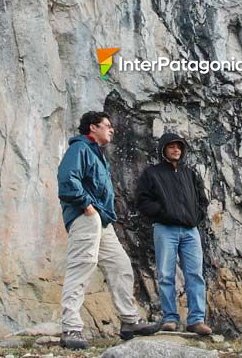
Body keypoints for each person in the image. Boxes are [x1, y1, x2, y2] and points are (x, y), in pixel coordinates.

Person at [57, 111, 160, 349]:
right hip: (86, 217)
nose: (111, 129)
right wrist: (87, 207)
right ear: (93, 128)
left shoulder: (96, 153)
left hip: (101, 221)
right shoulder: (80, 149)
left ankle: (129, 321)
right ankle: (71, 328)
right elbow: (66, 180)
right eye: (107, 125)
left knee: (120, 265)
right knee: (81, 267)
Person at [136, 132, 212, 335]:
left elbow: (202, 199)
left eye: (179, 146)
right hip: (164, 229)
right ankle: (170, 318)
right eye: (171, 146)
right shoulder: (152, 173)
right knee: (166, 275)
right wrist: (163, 214)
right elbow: (142, 201)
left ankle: (196, 320)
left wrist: (197, 217)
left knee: (195, 275)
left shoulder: (190, 173)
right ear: (163, 149)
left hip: (190, 230)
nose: (176, 149)